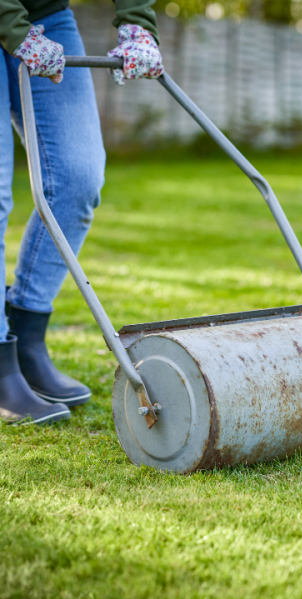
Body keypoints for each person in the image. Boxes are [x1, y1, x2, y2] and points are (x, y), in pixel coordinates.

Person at [0, 0, 163, 424]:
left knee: (78, 180)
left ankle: (26, 340)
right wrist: (14, 31)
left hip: (46, 13)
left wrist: (137, 22)